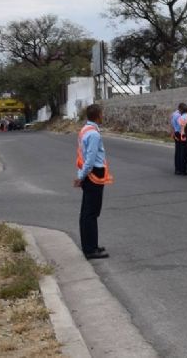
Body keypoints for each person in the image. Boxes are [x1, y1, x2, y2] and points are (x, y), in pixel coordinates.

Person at [73, 104, 113, 260]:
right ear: (98, 115)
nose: (103, 116)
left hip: (88, 175)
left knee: (86, 213)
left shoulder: (84, 130)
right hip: (93, 175)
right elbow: (89, 160)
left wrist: (81, 175)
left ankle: (90, 245)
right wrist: (81, 177)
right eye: (102, 113)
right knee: (91, 214)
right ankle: (91, 250)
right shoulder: (94, 134)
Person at [171, 103, 186, 175]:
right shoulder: (178, 115)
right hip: (179, 133)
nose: (184, 111)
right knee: (180, 151)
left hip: (176, 133)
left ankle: (178, 168)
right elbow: (181, 125)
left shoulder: (174, 114)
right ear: (180, 108)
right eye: (183, 109)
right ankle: (178, 168)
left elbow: (172, 124)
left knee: (178, 151)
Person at [177, 104, 187, 176]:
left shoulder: (180, 118)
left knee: (183, 155)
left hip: (183, 137)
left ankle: (183, 170)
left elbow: (180, 126)